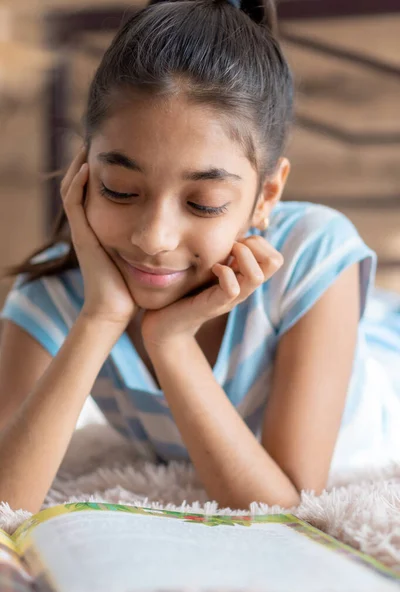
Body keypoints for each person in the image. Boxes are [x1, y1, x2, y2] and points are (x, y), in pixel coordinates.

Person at [1, 0, 400, 515]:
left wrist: (170, 342)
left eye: (203, 203)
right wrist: (101, 317)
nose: (154, 237)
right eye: (120, 189)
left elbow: (287, 508)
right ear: (83, 171)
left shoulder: (313, 253)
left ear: (268, 194)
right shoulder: (56, 294)